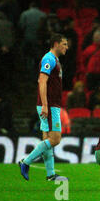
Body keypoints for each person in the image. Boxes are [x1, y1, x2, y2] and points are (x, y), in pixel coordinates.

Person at [19, 33, 68, 181]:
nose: (67, 46)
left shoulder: (55, 59)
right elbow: (42, 81)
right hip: (49, 105)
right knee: (55, 139)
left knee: (47, 138)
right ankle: (25, 162)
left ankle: (50, 174)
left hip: (50, 104)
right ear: (55, 44)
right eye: (64, 44)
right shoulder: (48, 59)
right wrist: (46, 105)